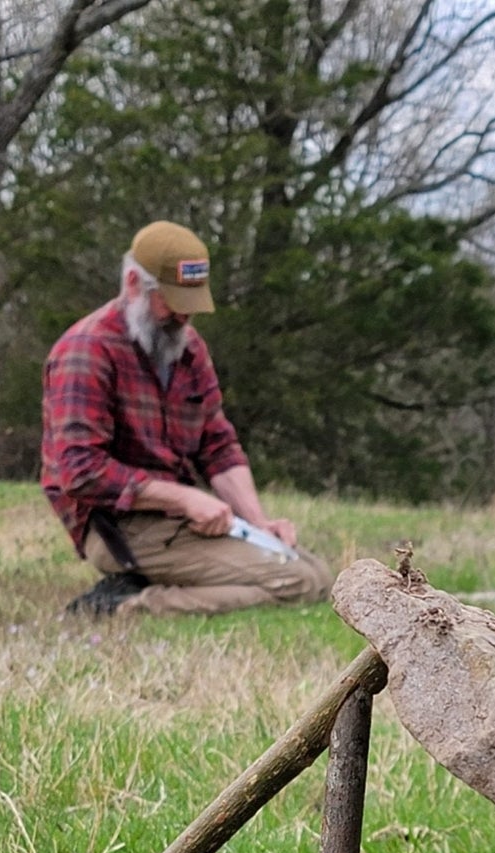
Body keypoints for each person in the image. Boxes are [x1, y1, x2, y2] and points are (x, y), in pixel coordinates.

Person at [40, 220, 333, 617]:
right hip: (118, 527)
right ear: (132, 284)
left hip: (174, 519)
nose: (183, 316)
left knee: (315, 572)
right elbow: (82, 472)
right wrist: (185, 497)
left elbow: (218, 446)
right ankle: (128, 606)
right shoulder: (86, 351)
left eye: (190, 303)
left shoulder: (188, 348)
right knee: (298, 582)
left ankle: (150, 587)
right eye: (171, 301)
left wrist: (260, 522)